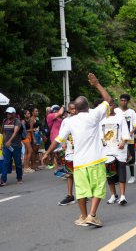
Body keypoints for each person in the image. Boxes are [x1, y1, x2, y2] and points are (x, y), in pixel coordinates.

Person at [42, 73, 111, 227]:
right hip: (96, 159)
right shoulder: (94, 115)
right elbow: (108, 100)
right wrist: (97, 84)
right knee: (98, 188)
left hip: (79, 162)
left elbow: (58, 140)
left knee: (81, 191)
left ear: (76, 109)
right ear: (87, 107)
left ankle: (84, 217)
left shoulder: (69, 122)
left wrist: (46, 153)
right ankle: (92, 216)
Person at [101, 101, 131, 205]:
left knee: (121, 170)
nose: (109, 107)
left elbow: (126, 133)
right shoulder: (101, 120)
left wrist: (123, 141)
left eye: (110, 105)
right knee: (109, 173)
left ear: (114, 106)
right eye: (107, 105)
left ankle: (122, 196)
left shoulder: (120, 118)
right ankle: (113, 195)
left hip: (119, 149)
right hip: (106, 150)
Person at [114, 94, 136, 184]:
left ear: (128, 102)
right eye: (121, 100)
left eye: (125, 100)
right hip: (118, 139)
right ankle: (117, 176)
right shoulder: (116, 111)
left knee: (130, 157)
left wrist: (131, 132)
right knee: (117, 157)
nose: (123, 102)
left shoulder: (131, 112)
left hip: (129, 139)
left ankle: (132, 175)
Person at [58, 102, 77, 206]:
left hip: (81, 151)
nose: (74, 111)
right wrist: (64, 143)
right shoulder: (66, 121)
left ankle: (83, 195)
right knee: (69, 174)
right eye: (72, 109)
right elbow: (62, 135)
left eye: (75, 109)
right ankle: (70, 196)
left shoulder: (82, 120)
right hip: (69, 151)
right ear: (69, 110)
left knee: (81, 174)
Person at [1, 107, 23, 186]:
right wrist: (4, 142)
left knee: (17, 163)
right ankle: (3, 180)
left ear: (14, 114)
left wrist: (10, 141)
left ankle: (19, 178)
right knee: (6, 162)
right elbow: (3, 132)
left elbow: (15, 132)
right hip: (6, 146)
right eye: (7, 113)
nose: (8, 115)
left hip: (16, 146)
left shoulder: (17, 122)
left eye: (10, 113)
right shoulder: (5, 121)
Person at [46, 104, 66, 177]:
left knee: (61, 155)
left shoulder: (60, 119)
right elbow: (60, 113)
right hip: (55, 138)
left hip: (62, 138)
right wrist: (63, 106)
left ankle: (61, 169)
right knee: (57, 154)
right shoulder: (50, 116)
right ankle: (57, 170)